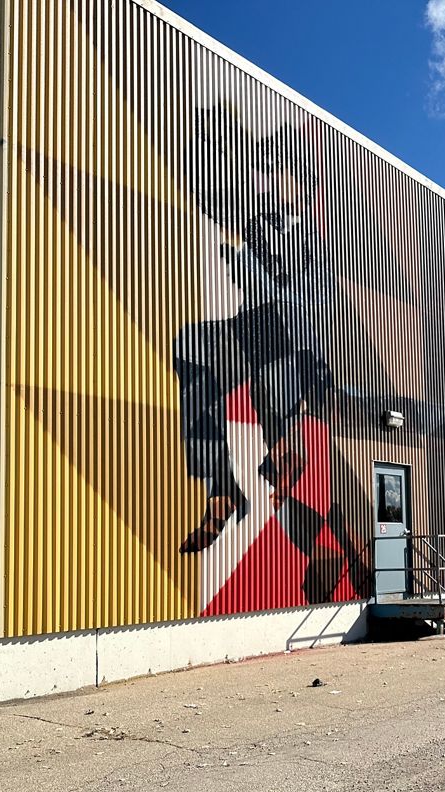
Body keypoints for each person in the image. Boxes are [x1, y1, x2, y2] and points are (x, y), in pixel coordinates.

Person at [174, 141, 334, 554]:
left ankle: (281, 448)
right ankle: (224, 488)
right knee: (191, 350)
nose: (268, 182)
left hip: (296, 330)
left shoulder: (313, 238)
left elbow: (302, 300)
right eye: (266, 173)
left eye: (278, 174)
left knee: (268, 349)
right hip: (263, 328)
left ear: (304, 186)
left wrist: (240, 248)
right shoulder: (257, 217)